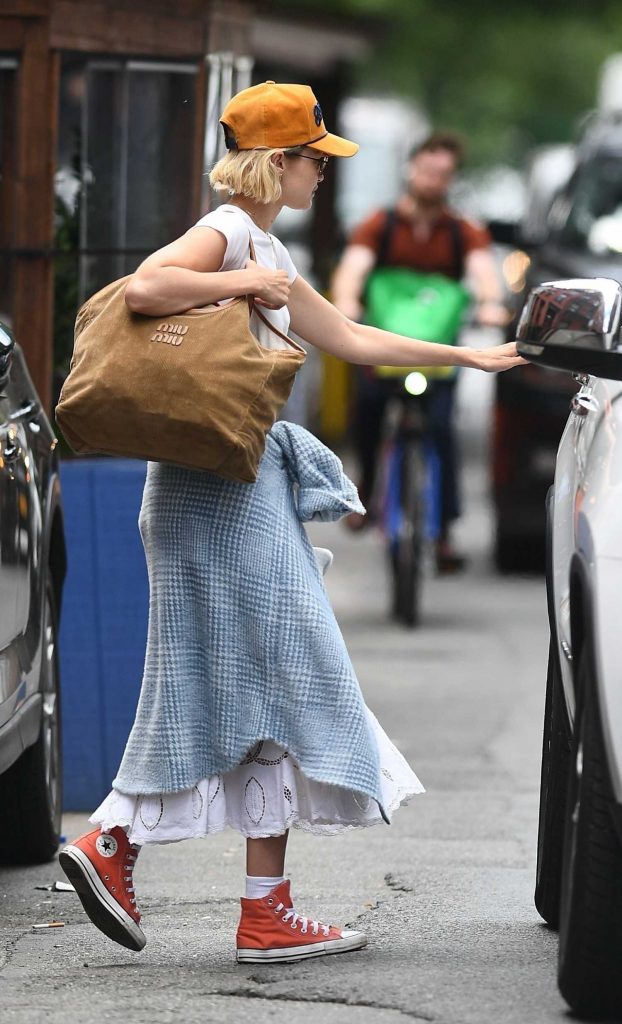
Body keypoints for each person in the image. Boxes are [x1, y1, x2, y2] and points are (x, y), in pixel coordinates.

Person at [59, 82, 523, 965]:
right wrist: (246, 277)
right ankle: (117, 841)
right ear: (279, 163)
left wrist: (468, 353)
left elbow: (349, 336)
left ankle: (256, 904)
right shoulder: (235, 233)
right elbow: (151, 285)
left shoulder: (265, 247)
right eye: (315, 158)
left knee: (263, 686)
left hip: (227, 485)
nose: (322, 171)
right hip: (217, 497)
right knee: (282, 675)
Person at [331, 132, 508, 571]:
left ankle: (444, 530)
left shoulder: (462, 231)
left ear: (451, 179)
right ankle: (368, 491)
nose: (433, 180)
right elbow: (352, 270)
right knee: (367, 414)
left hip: (436, 354)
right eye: (427, 170)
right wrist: (347, 302)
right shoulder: (380, 224)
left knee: (442, 431)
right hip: (385, 347)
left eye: (443, 173)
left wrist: (490, 303)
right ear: (411, 169)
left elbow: (485, 274)